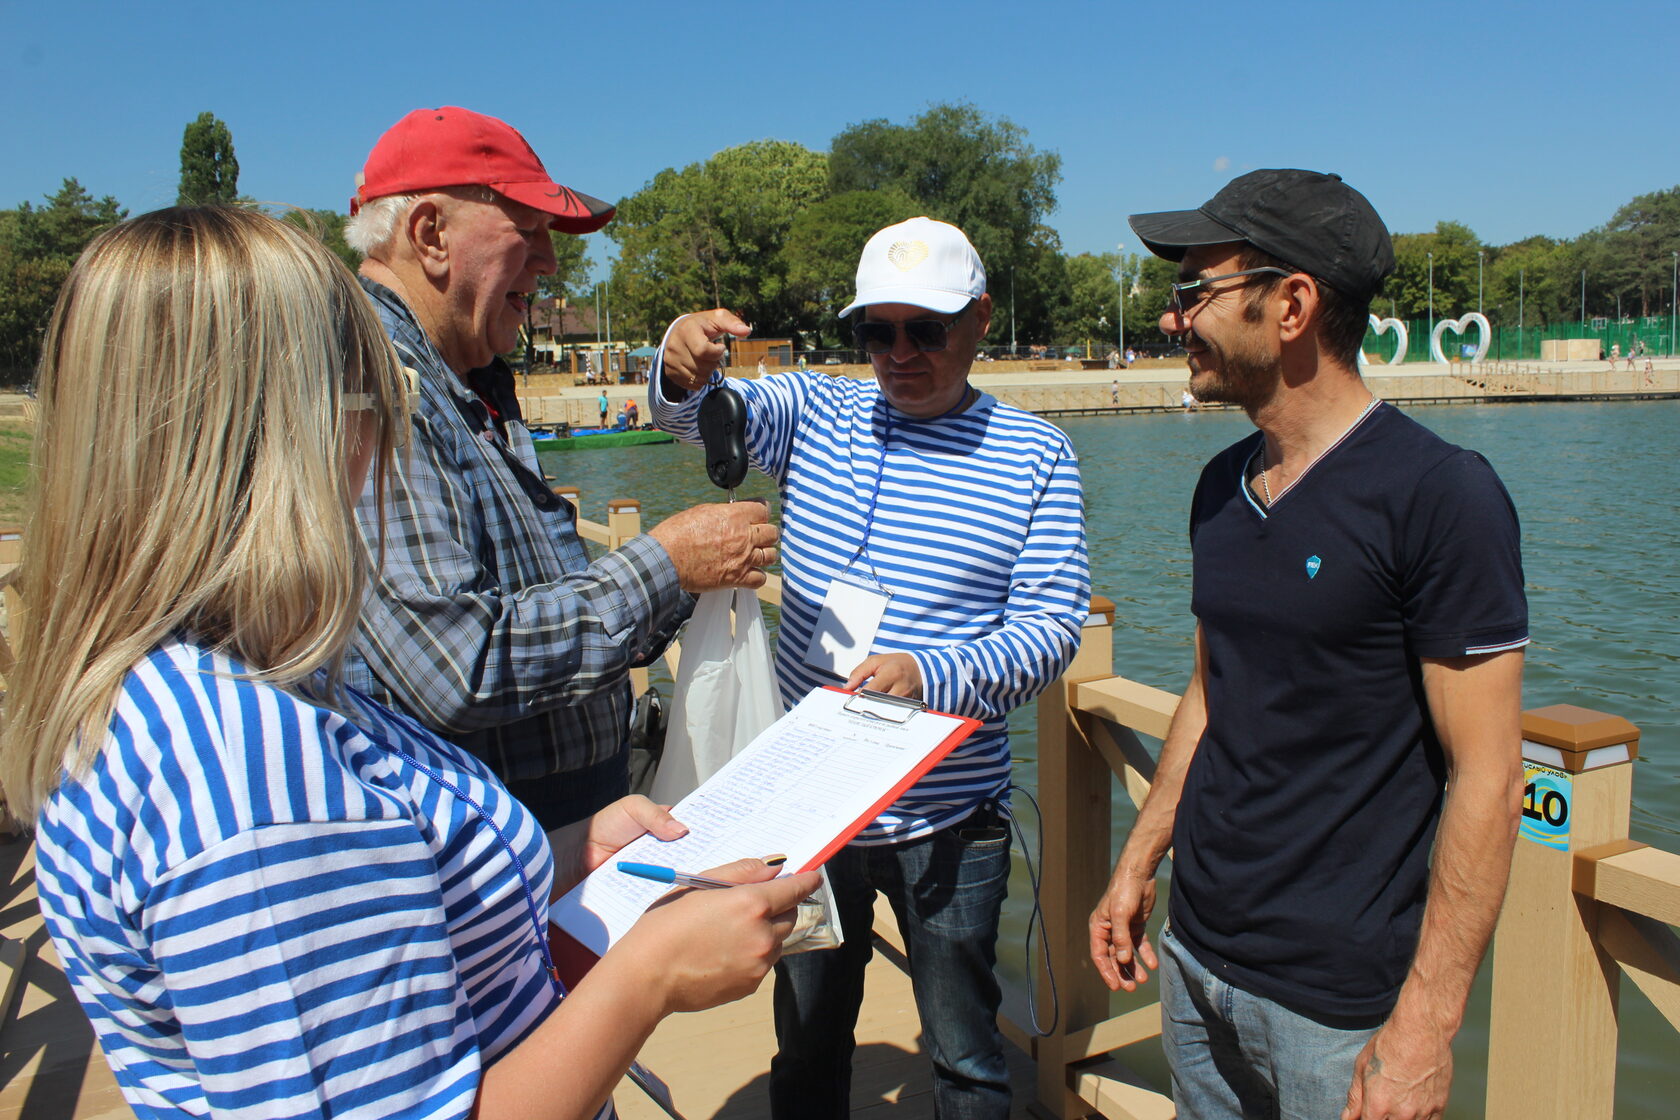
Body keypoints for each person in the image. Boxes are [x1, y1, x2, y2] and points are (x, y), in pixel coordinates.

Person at [0, 205, 820, 1120]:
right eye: (377, 394)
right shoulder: (249, 775)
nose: (390, 435)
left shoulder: (208, 684)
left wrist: (566, 854)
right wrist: (651, 975)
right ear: (280, 431)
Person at [1087, 169, 1527, 1120]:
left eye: (1195, 291)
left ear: (1290, 305)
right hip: (1195, 957)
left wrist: (1426, 1027)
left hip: (1340, 1009)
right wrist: (1138, 860)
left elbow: (1490, 778)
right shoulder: (1220, 485)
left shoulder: (1442, 496)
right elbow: (1212, 692)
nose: (1171, 318)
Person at [653, 216, 1091, 1119]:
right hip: (811, 812)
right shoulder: (818, 411)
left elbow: (1052, 629)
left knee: (967, 1057)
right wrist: (678, 362)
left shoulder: (1037, 453)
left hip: (950, 815)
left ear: (980, 319)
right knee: (807, 1044)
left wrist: (931, 676)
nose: (899, 354)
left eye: (925, 329)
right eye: (876, 331)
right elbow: (698, 420)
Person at [340, 107, 779, 830]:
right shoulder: (374, 384)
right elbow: (457, 666)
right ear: (430, 234)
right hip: (488, 847)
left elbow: (541, 600)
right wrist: (666, 564)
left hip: (545, 830)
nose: (549, 262)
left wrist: (688, 577)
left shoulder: (465, 377)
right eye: (528, 229)